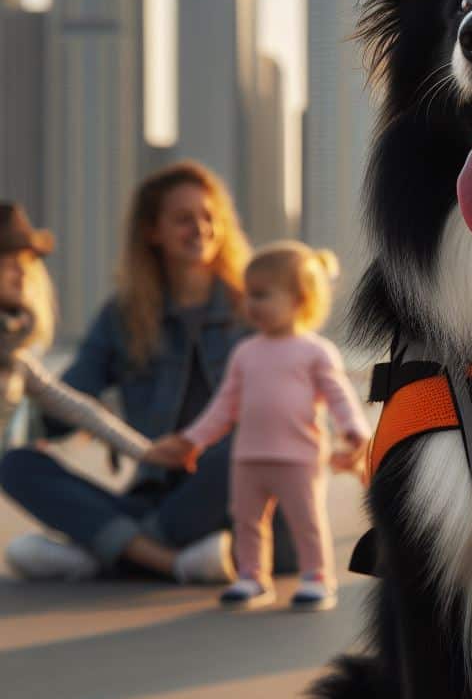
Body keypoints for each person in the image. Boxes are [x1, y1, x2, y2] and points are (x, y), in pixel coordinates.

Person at [0, 161, 296, 583]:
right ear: (151, 231)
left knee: (249, 443)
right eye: (182, 219)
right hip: (156, 502)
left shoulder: (255, 309)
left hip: (245, 504)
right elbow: (64, 406)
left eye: (208, 217)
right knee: (16, 466)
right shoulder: (123, 318)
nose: (200, 228)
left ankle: (119, 553)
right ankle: (159, 553)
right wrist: (13, 386)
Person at [146, 242, 371, 611]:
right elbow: (223, 407)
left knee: (306, 520)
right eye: (248, 295)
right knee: (247, 520)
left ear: (300, 299)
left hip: (299, 457)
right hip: (248, 455)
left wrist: (354, 429)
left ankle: (316, 577)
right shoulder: (246, 353)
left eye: (262, 295)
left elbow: (339, 395)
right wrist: (193, 441)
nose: (250, 305)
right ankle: (251, 576)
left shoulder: (315, 351)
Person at [0, 202, 152, 459]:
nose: (22, 272)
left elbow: (77, 409)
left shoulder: (15, 357)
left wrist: (148, 452)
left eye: (26, 261)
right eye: (8, 259)